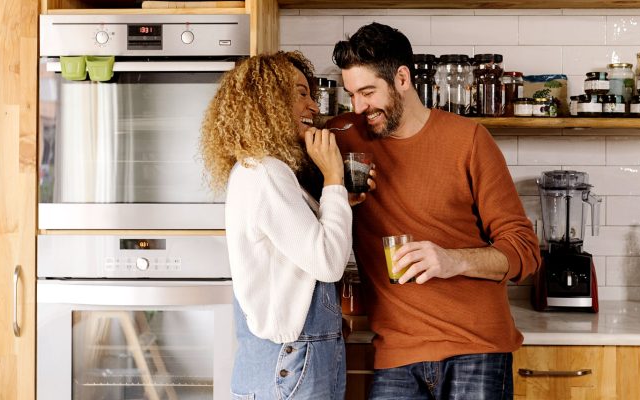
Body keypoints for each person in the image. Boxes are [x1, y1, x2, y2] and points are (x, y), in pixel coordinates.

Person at [328, 23, 541, 399]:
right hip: (396, 349)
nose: (359, 107)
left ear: (402, 78)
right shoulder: (344, 138)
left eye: (367, 92)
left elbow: (524, 251)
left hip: (476, 345)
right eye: (351, 95)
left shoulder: (469, 140)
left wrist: (452, 261)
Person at [201, 51, 364, 399]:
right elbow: (329, 263)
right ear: (268, 101)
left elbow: (294, 257)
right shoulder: (266, 173)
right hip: (291, 362)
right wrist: (334, 176)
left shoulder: (264, 170)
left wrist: (339, 203)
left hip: (293, 360)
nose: (314, 107)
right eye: (301, 93)